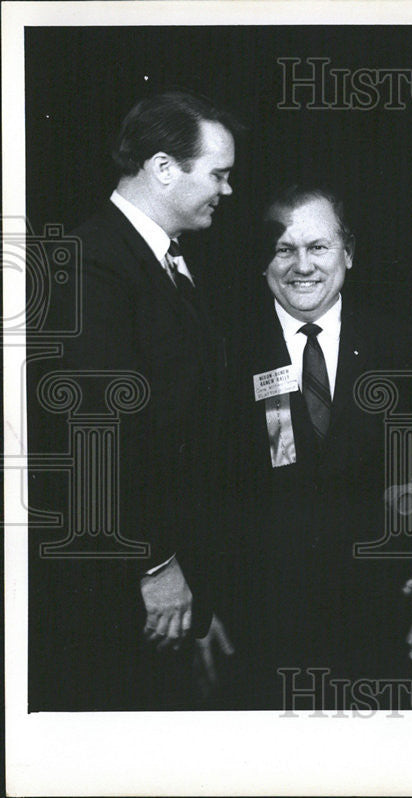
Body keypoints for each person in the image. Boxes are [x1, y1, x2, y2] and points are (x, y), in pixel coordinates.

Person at [29, 91, 239, 710]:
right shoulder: (93, 263)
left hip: (170, 572)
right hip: (122, 583)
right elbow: (92, 435)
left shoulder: (161, 261)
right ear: (164, 168)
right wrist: (154, 565)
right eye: (218, 174)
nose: (227, 190)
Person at [224, 185, 412, 709]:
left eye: (317, 247)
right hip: (259, 627)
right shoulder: (224, 351)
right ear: (263, 260)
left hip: (382, 621)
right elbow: (205, 487)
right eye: (284, 249)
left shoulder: (400, 349)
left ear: (349, 253)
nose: (302, 266)